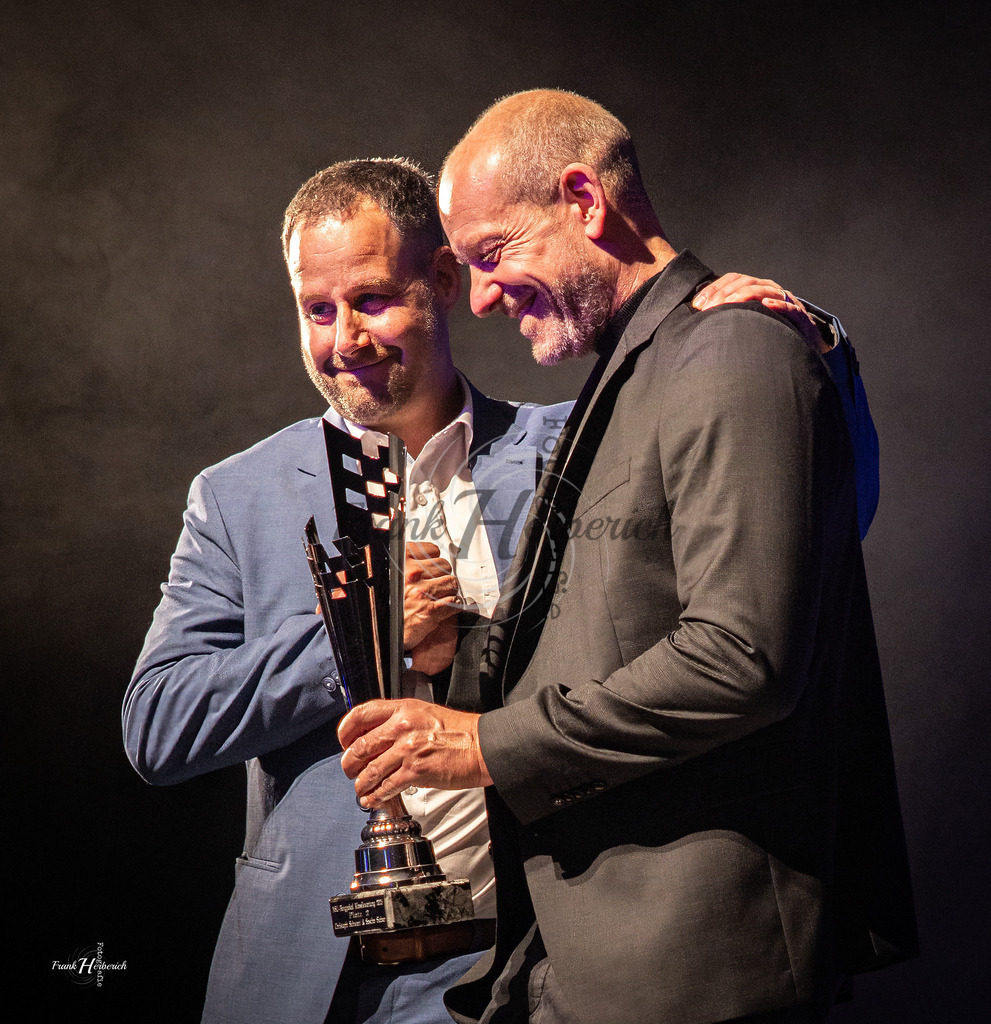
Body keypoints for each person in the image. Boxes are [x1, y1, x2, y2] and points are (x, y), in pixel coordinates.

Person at [125, 157, 875, 1024]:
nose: (343, 341)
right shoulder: (238, 493)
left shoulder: (572, 447)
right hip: (314, 976)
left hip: (528, 966)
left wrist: (808, 346)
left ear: (444, 279)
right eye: (315, 311)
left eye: (371, 301)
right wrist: (360, 638)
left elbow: (806, 532)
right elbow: (157, 726)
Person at [336, 92, 916, 1024]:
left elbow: (744, 657)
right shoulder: (631, 370)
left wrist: (485, 744)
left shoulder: (732, 349)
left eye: (493, 255)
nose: (480, 295)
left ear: (583, 198)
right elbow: (605, 629)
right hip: (588, 958)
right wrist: (462, 649)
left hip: (699, 968)